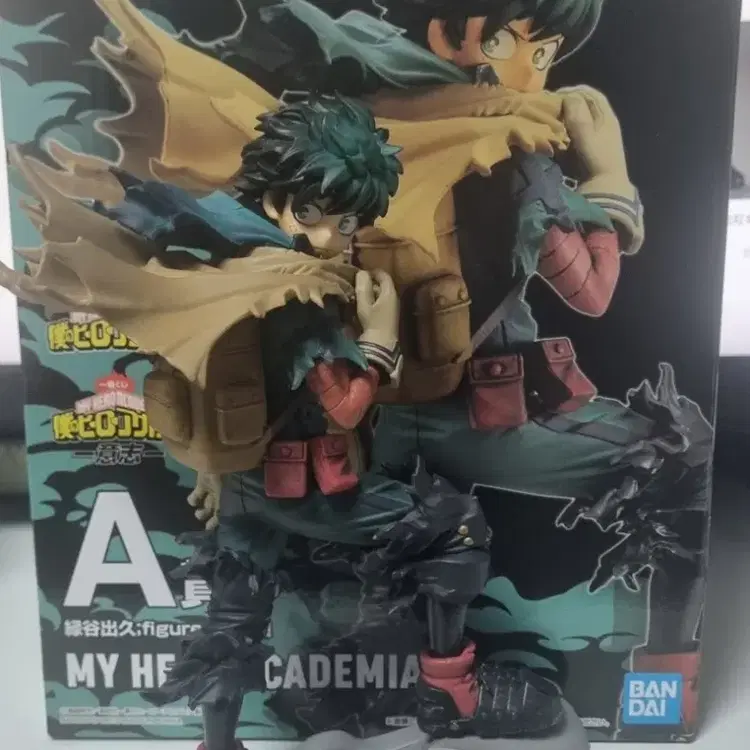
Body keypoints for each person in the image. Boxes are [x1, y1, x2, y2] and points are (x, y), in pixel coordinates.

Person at [1, 93, 587, 749]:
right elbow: (345, 405)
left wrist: (217, 466)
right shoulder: (292, 288)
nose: (331, 236)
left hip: (244, 488)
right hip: (307, 487)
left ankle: (217, 741)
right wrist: (380, 337)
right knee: (457, 529)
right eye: (313, 215)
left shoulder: (224, 249)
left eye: (347, 222)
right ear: (278, 200)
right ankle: (450, 692)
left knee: (234, 612)